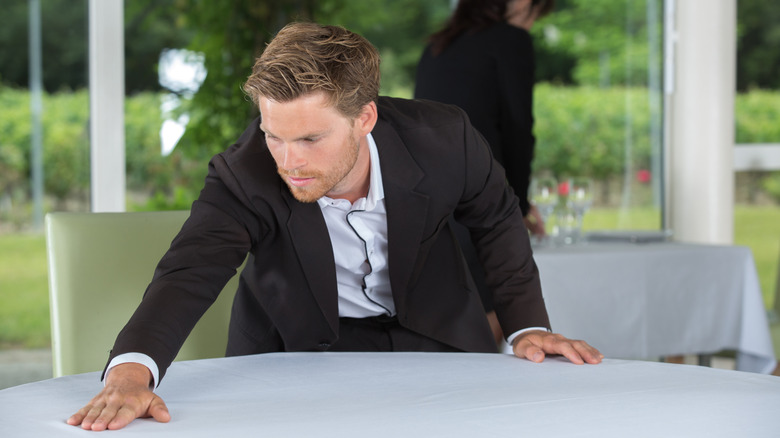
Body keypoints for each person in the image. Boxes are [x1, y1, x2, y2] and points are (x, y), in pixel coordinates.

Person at [68, 22, 602, 432]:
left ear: (364, 117)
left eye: (309, 139)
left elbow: (496, 219)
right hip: (294, 353)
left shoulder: (446, 140)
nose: (287, 160)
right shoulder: (245, 174)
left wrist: (528, 327)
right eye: (273, 135)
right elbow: (189, 272)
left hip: (437, 340)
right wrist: (132, 374)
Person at [415, 0, 554, 344]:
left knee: (452, 316)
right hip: (478, 198)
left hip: (428, 200)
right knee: (491, 318)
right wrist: (517, 206)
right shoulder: (511, 41)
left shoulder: (436, 46)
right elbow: (518, 131)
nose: (532, 22)